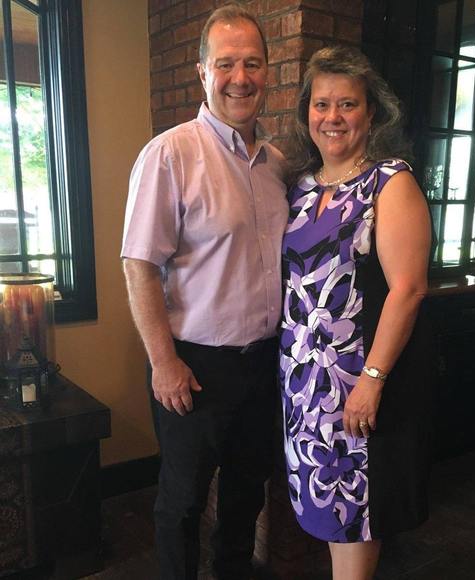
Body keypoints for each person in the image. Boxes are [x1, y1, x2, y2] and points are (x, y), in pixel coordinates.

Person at [121, 4, 288, 579]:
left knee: (246, 492)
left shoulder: (277, 165)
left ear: (267, 71)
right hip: (193, 367)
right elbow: (139, 265)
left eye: (252, 63)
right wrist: (163, 362)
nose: (240, 78)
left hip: (263, 363)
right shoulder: (170, 154)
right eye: (226, 64)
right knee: (183, 501)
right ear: (203, 72)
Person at [279, 45, 434, 580]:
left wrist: (372, 380)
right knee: (327, 515)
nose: (333, 117)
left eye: (348, 104)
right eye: (321, 104)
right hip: (304, 386)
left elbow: (409, 289)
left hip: (354, 385)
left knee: (355, 517)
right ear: (307, 112)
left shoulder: (390, 183)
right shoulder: (300, 187)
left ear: (371, 114)